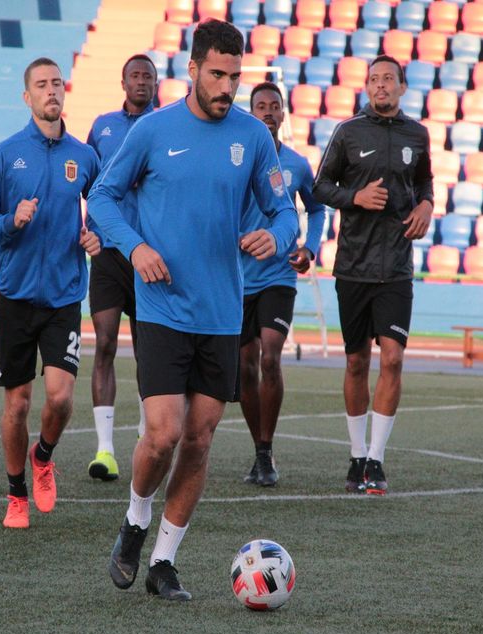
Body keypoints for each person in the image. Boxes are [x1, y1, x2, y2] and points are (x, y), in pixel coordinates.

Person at [88, 19, 298, 600]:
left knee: (200, 440)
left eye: (235, 76)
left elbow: (285, 213)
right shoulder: (153, 131)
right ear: (193, 69)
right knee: (162, 434)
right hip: (161, 307)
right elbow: (103, 198)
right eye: (218, 74)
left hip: (221, 313)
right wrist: (135, 247)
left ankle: (163, 561)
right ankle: (134, 521)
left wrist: (275, 239)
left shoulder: (254, 137)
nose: (228, 86)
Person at [0, 57, 101, 529]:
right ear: (26, 97)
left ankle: (42, 456)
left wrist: (96, 236)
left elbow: (104, 206)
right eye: (41, 85)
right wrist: (11, 221)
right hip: (16, 297)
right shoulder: (5, 156)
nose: (51, 91)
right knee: (18, 402)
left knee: (61, 399)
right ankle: (16, 494)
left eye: (56, 84)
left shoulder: (84, 157)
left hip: (64, 296)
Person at [312, 55, 432, 496]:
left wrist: (426, 206)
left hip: (397, 267)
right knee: (357, 361)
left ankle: (377, 461)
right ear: (367, 87)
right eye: (374, 80)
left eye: (388, 80)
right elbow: (320, 187)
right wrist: (356, 196)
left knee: (394, 358)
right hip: (353, 266)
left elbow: (425, 184)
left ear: (402, 87)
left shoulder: (417, 135)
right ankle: (356, 455)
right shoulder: (347, 132)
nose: (380, 86)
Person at [239, 81, 326, 486]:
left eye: (275, 106)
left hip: (278, 276)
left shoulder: (295, 164)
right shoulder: (235, 159)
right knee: (243, 367)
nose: (269, 112)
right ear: (251, 113)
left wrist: (308, 248)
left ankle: (266, 451)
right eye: (261, 106)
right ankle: (258, 449)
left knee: (270, 358)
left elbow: (317, 207)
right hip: (237, 279)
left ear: (283, 114)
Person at [84, 53, 157, 482]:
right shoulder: (102, 127)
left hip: (149, 255)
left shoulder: (165, 125)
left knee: (151, 351)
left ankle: (148, 438)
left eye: (148, 75)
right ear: (123, 80)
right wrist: (87, 230)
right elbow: (86, 185)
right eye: (135, 75)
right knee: (106, 344)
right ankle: (105, 450)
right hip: (109, 254)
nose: (142, 81)